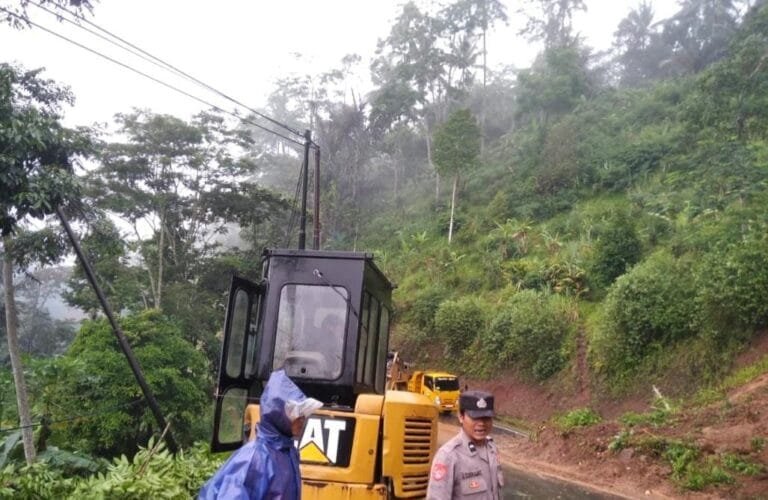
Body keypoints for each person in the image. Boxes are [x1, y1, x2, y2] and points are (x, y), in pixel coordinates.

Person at [199, 369, 323, 500]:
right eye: (298, 415)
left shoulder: (289, 452)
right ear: (279, 415)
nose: (302, 421)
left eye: (303, 416)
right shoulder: (255, 458)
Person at [426, 390, 504, 499]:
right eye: (475, 417)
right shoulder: (448, 456)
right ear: (461, 416)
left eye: (486, 418)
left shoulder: (492, 448)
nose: (481, 423)